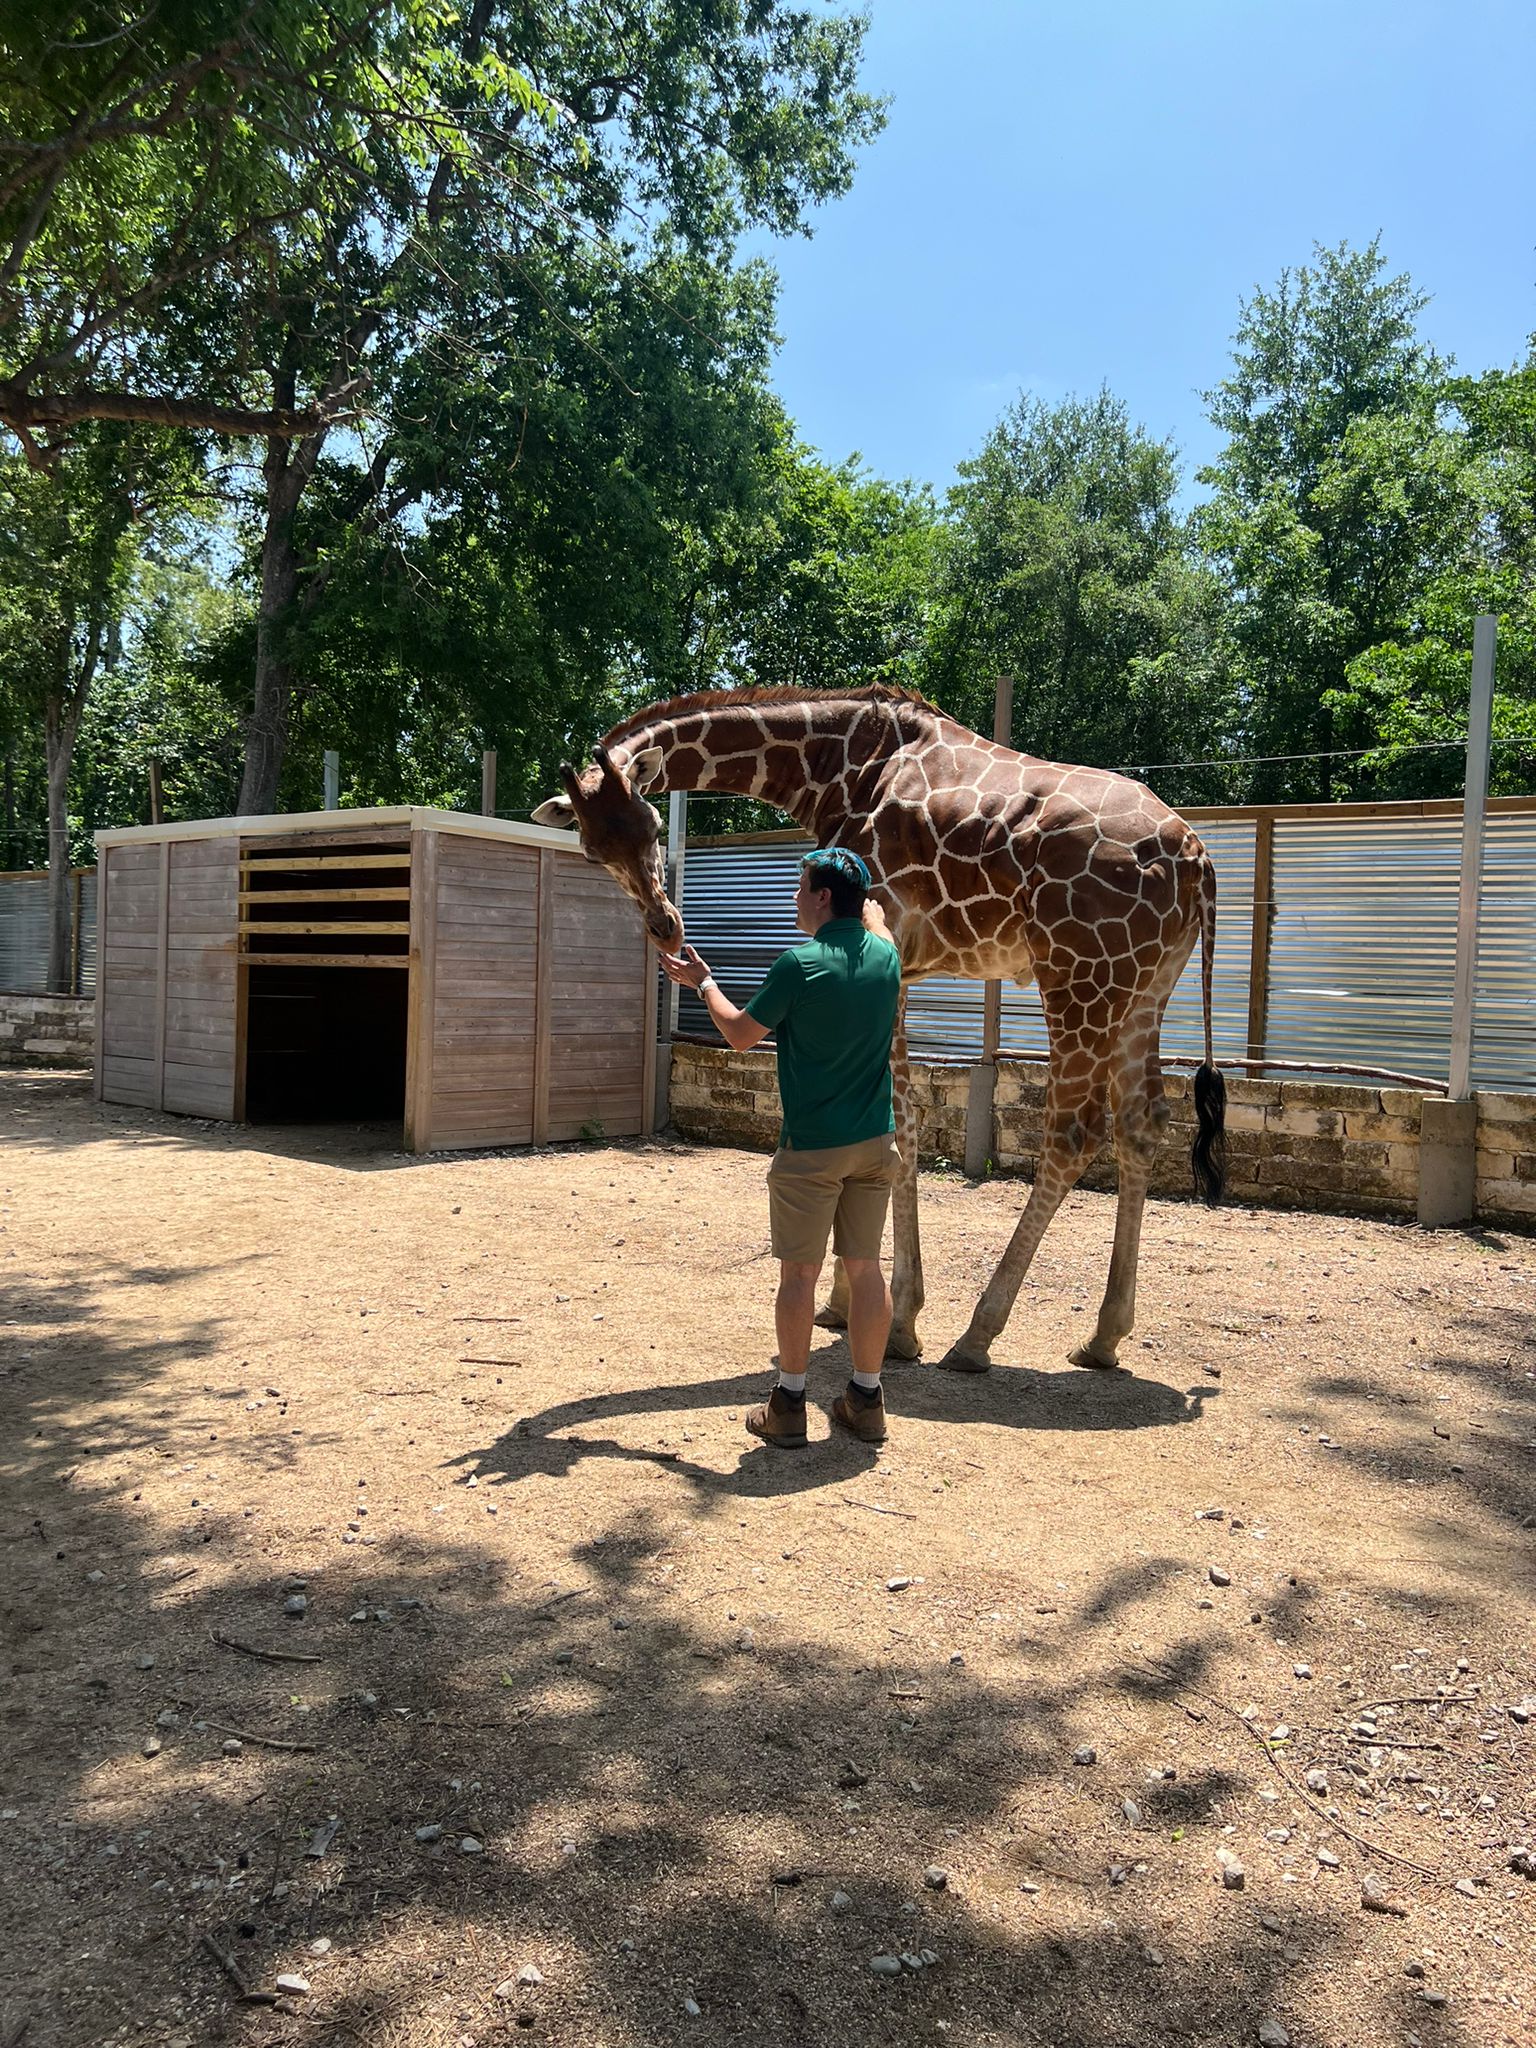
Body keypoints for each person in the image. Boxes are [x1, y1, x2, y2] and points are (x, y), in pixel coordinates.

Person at [660, 847, 902, 1449]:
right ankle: (866, 1400)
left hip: (812, 1148)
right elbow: (876, 928)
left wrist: (703, 982)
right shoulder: (888, 958)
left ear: (822, 897)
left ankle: (789, 1403)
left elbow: (740, 1035)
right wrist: (866, 915)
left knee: (801, 1272)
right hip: (875, 1143)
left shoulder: (798, 964)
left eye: (801, 887)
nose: (794, 897)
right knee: (866, 1269)